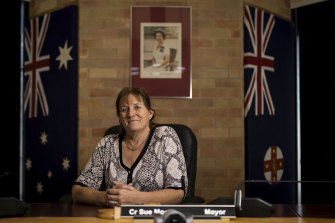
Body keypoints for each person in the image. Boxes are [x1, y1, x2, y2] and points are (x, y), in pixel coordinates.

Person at [72, 87, 188, 206]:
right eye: (124, 109)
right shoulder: (107, 144)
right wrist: (107, 197)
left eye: (137, 107)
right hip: (115, 218)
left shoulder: (165, 136)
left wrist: (138, 198)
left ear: (150, 113)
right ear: (120, 118)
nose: (131, 114)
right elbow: (77, 191)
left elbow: (178, 192)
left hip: (154, 218)